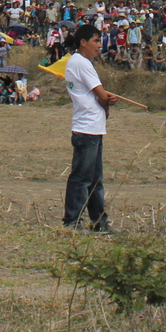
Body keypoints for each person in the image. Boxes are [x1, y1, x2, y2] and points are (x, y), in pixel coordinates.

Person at [62, 23, 119, 232]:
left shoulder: (77, 62)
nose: (99, 45)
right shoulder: (81, 63)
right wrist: (107, 101)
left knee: (95, 180)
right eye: (95, 41)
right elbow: (101, 95)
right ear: (83, 42)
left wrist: (105, 100)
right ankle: (72, 222)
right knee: (82, 178)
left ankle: (99, 222)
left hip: (93, 128)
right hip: (87, 129)